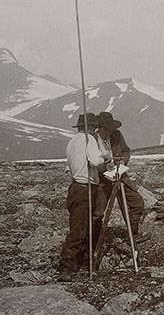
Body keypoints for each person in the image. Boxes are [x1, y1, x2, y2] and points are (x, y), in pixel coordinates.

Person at [58, 113, 106, 282]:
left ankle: (79, 261)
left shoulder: (72, 142)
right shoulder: (89, 140)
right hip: (85, 188)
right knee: (79, 230)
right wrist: (104, 157)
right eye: (95, 128)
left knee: (80, 227)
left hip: (76, 188)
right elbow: (95, 162)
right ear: (91, 128)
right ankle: (66, 268)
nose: (95, 131)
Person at [95, 112, 149, 245]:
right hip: (103, 179)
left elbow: (126, 151)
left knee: (135, 202)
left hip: (120, 174)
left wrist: (123, 162)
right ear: (100, 128)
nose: (109, 132)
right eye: (106, 130)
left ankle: (133, 234)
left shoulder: (116, 135)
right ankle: (93, 239)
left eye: (111, 129)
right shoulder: (92, 140)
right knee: (98, 210)